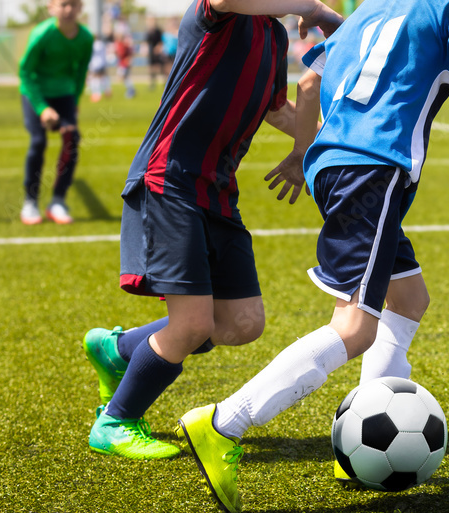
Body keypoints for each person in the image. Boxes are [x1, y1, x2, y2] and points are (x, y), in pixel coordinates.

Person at [175, 0, 449, 510]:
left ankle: (353, 449)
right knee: (354, 327)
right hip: (376, 169)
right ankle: (222, 423)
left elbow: (308, 85)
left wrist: (304, 154)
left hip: (333, 166)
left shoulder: (372, 9)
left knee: (409, 298)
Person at [81, 0, 343, 461]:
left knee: (241, 323)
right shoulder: (219, 13)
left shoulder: (274, 37)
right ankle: (115, 421)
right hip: (171, 180)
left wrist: (324, 140)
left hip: (219, 190)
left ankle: (117, 349)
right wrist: (313, 8)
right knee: (194, 324)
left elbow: (274, 109)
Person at [17, 0, 93, 225]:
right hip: (35, 93)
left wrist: (75, 101)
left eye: (74, 4)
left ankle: (58, 200)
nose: (68, 10)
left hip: (64, 95)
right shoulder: (42, 34)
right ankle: (30, 201)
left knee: (72, 138)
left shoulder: (86, 38)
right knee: (38, 142)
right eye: (63, 4)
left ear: (81, 8)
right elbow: (25, 71)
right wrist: (42, 108)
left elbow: (80, 74)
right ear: (51, 7)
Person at [144, 16, 168, 90]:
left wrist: (158, 48)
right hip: (151, 52)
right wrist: (146, 50)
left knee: (162, 67)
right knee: (151, 68)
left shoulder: (158, 31)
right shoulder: (148, 31)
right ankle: (152, 83)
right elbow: (146, 42)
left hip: (158, 51)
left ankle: (166, 82)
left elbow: (162, 41)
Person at [88, 32, 112, 102]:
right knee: (103, 77)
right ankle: (107, 90)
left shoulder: (94, 45)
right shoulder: (102, 44)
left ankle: (97, 94)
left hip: (95, 64)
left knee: (95, 78)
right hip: (102, 63)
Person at [113, 31, 136, 98]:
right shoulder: (123, 44)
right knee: (124, 78)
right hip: (124, 63)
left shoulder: (122, 45)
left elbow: (121, 54)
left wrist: (116, 53)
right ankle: (131, 90)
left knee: (123, 77)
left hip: (124, 64)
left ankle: (131, 90)